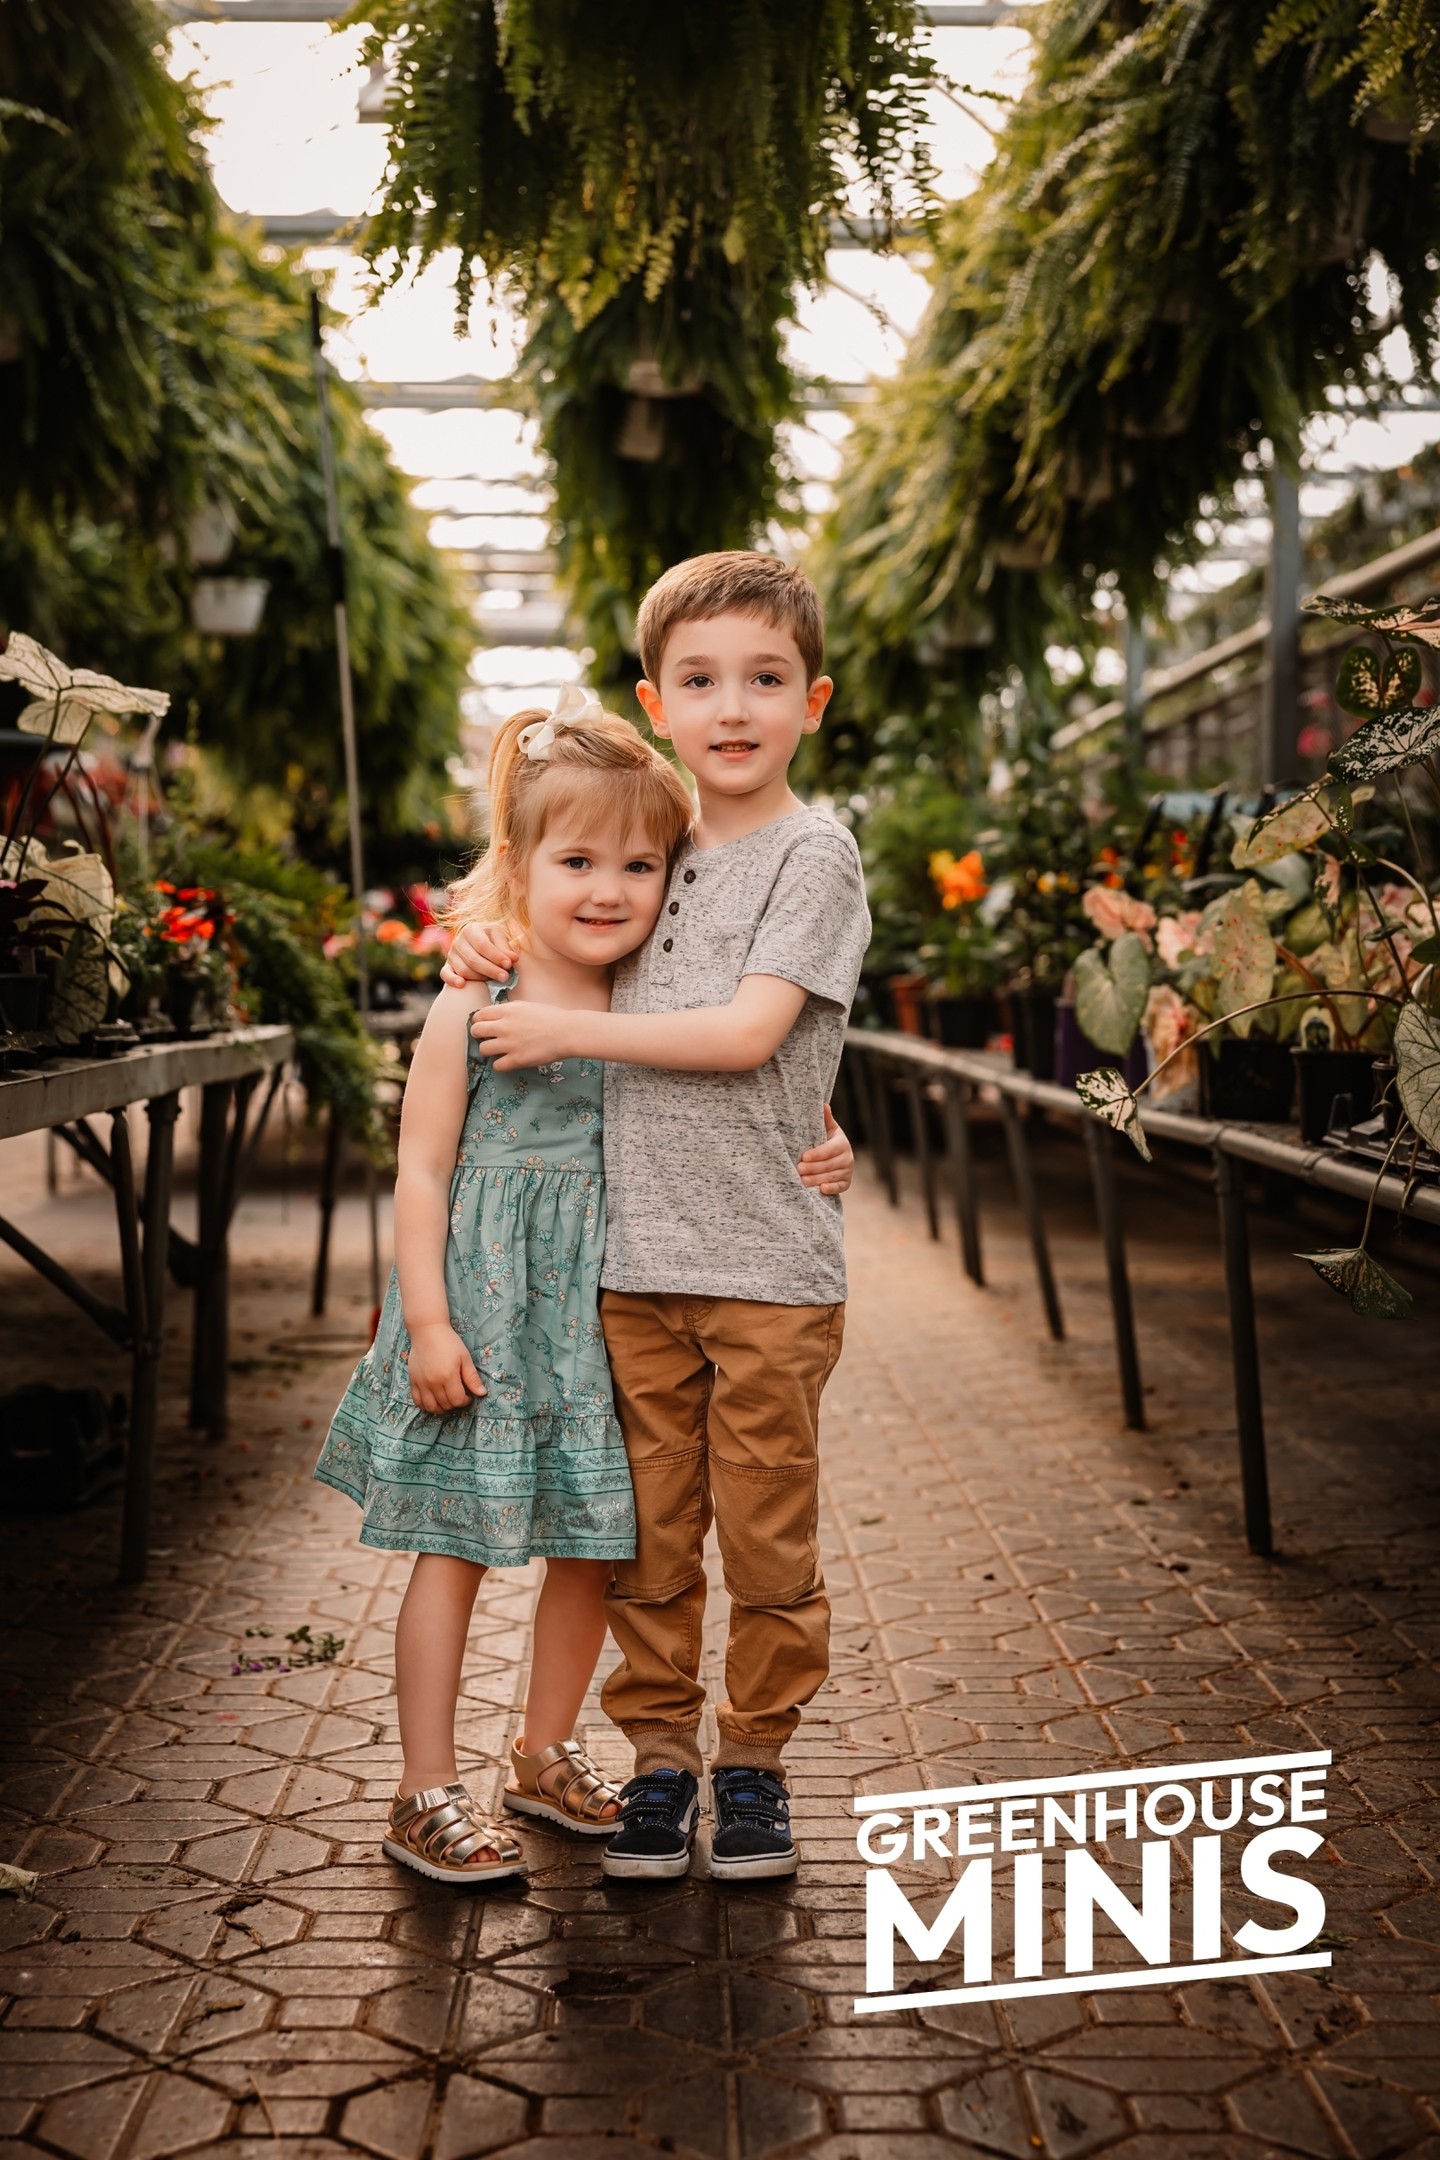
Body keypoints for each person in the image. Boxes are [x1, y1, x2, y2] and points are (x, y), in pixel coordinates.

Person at [314, 689, 855, 1885]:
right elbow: (419, 1172)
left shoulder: (642, 1003)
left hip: (598, 1326)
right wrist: (430, 1322)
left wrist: (833, 1135)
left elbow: (742, 1082)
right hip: (485, 1321)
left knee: (589, 1549)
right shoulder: (474, 1003)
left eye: (639, 864)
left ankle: (544, 1752)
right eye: (575, 861)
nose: (608, 890)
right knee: (451, 1548)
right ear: (516, 865)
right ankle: (421, 1789)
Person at [445, 552, 872, 1882]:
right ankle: (659, 1763)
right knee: (647, 1541)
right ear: (658, 698)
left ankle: (752, 1763)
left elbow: (751, 1034)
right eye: (700, 681)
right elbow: (563, 894)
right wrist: (477, 942)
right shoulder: (663, 841)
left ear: (814, 699)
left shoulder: (816, 850)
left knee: (766, 1534)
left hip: (766, 1273)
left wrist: (560, 1025)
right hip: (633, 1271)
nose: (732, 707)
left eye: (764, 679)